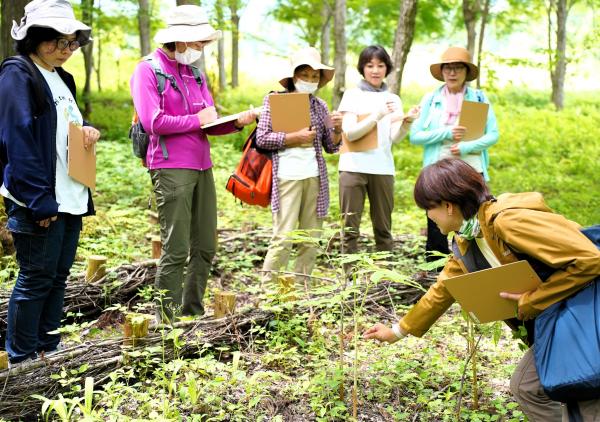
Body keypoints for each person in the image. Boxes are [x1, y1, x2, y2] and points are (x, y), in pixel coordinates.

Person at [364, 158, 600, 421]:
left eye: (428, 208)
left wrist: (534, 300)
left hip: (585, 312)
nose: (428, 216)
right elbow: (443, 290)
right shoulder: (466, 240)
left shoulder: (507, 220)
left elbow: (591, 259)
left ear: (448, 206)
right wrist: (397, 331)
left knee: (581, 389)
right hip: (560, 319)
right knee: (533, 387)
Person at [130, 5, 256, 322]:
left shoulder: (195, 73)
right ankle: (167, 322)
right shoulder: (147, 70)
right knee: (175, 249)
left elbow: (208, 123)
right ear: (181, 39)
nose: (201, 49)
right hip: (170, 167)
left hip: (202, 165)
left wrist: (238, 122)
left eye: (204, 43)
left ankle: (191, 313)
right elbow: (153, 121)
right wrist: (195, 119)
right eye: (198, 42)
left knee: (205, 246)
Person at [0, 0, 101, 364]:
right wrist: (39, 199)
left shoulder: (63, 78)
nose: (65, 50)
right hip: (40, 198)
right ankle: (22, 356)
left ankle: (49, 347)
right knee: (36, 278)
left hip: (70, 193)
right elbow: (17, 138)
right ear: (33, 38)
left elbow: (63, 129)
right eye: (57, 41)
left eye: (72, 43)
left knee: (58, 276)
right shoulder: (18, 73)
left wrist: (86, 131)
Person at [256, 47, 342, 284]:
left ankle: (302, 288)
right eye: (306, 75)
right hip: (287, 177)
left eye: (315, 77)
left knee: (311, 237)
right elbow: (261, 138)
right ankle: (268, 289)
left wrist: (337, 128)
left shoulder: (320, 106)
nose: (310, 81)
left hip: (314, 178)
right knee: (283, 237)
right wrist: (293, 137)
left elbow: (331, 146)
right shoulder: (275, 100)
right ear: (294, 77)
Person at [410, 46, 499, 262]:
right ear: (441, 71)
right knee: (436, 219)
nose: (452, 73)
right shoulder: (431, 100)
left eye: (458, 68)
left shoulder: (478, 98)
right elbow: (415, 135)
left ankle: (476, 262)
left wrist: (466, 147)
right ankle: (436, 267)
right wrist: (446, 132)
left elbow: (493, 135)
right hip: (438, 169)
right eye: (448, 68)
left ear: (466, 72)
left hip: (471, 168)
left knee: (476, 217)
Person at [337, 45, 419, 254]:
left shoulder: (393, 99)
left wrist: (407, 123)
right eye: (370, 65)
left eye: (380, 65)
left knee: (383, 227)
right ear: (362, 68)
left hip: (382, 168)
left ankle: (386, 278)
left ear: (387, 68)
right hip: (353, 167)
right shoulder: (352, 95)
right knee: (350, 227)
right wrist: (378, 114)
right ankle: (350, 278)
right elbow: (350, 133)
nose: (375, 70)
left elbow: (393, 137)